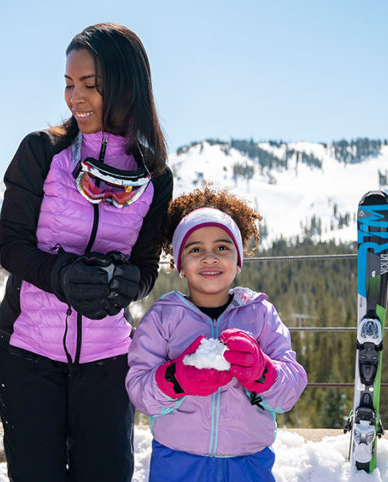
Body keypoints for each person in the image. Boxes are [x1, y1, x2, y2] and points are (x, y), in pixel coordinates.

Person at [0, 23, 174, 481]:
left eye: (90, 85)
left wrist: (131, 282)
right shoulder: (41, 152)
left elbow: (147, 266)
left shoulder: (155, 177)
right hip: (27, 351)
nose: (76, 98)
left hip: (108, 356)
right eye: (70, 85)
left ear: (126, 86)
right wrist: (62, 276)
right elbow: (11, 247)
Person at [126, 187, 309, 481]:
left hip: (248, 463)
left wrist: (263, 371)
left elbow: (289, 390)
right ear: (178, 265)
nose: (209, 258)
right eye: (195, 249)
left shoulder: (260, 314)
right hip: (177, 463)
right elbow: (139, 391)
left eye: (222, 248)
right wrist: (176, 378)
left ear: (238, 260)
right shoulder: (162, 317)